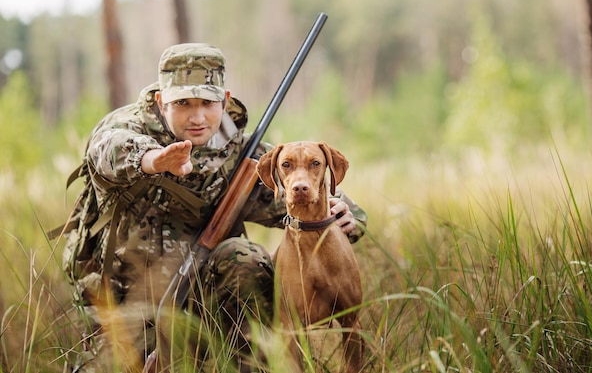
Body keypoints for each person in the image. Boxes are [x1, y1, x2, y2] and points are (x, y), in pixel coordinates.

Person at [62, 43, 367, 372]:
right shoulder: (125, 129)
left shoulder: (239, 154)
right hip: (126, 306)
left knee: (245, 256)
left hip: (205, 299)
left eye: (207, 103)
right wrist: (154, 160)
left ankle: (247, 363)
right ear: (161, 102)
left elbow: (306, 191)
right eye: (183, 103)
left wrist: (349, 217)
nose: (197, 116)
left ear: (223, 100)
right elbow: (109, 150)